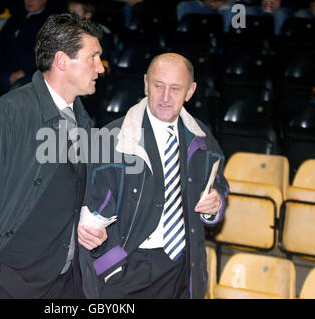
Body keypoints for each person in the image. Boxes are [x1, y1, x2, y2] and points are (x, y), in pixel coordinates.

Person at [0, 13, 106, 299]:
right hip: (9, 282)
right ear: (62, 61)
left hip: (64, 281)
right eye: (93, 57)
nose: (100, 68)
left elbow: (69, 196)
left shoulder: (83, 121)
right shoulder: (8, 113)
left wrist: (91, 229)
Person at [77, 53, 230, 299]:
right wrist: (111, 267)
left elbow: (219, 186)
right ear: (145, 83)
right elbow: (90, 219)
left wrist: (216, 204)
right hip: (127, 271)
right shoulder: (110, 139)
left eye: (175, 88)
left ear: (190, 91)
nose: (165, 97)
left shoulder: (202, 138)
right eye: (158, 86)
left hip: (183, 267)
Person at [0, 0, 50, 92]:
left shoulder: (50, 22)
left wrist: (25, 71)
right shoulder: (16, 17)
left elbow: (47, 53)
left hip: (26, 74)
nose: (29, 1)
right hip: (1, 71)